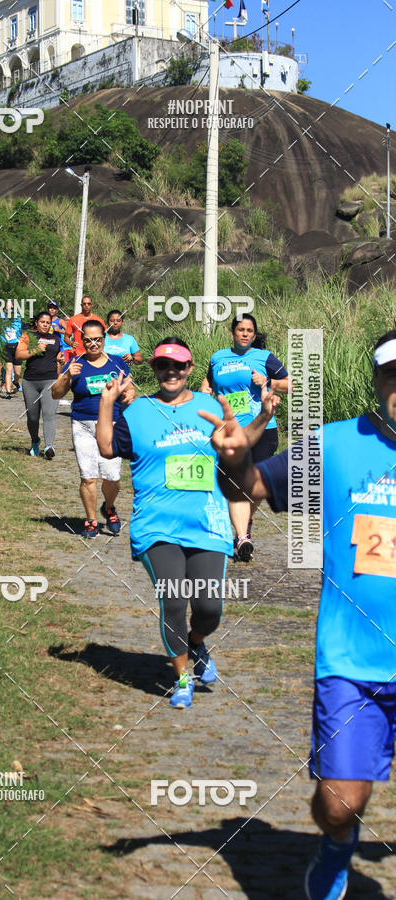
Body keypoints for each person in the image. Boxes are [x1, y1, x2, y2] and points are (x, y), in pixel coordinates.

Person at [200, 330, 396, 900]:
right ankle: (336, 849)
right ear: (379, 381)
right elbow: (253, 486)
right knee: (340, 806)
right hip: (353, 662)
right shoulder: (332, 446)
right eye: (394, 375)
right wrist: (233, 459)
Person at [96, 337, 278, 708]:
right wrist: (107, 402)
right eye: (163, 365)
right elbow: (106, 448)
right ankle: (181, 678)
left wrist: (262, 417)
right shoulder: (137, 413)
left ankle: (196, 643)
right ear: (155, 370)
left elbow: (238, 445)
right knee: (174, 599)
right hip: (156, 525)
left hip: (206, 522)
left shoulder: (208, 406)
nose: (171, 372)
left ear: (190, 370)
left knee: (209, 607)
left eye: (179, 366)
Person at [200, 313, 290, 562]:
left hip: (262, 428)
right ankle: (241, 537)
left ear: (254, 334)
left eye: (250, 330)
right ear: (232, 332)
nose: (245, 334)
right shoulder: (218, 357)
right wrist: (204, 390)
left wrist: (268, 381)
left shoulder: (264, 357)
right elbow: (208, 380)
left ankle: (244, 521)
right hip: (229, 431)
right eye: (241, 330)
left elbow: (289, 383)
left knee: (258, 485)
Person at [52, 319, 132, 537]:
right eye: (88, 340)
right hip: (82, 424)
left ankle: (109, 507)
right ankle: (91, 521)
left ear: (104, 339)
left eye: (97, 339)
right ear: (82, 341)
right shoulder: (75, 363)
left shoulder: (116, 363)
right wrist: (67, 376)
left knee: (112, 476)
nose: (93, 344)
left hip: (113, 425)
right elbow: (56, 394)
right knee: (88, 476)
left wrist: (129, 395)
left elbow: (129, 389)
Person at [15, 311, 63, 458]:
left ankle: (49, 446)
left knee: (49, 414)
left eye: (48, 323)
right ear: (36, 322)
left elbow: (58, 358)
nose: (45, 325)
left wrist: (60, 365)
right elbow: (18, 355)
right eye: (42, 322)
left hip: (50, 380)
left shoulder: (56, 338)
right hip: (30, 381)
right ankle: (35, 440)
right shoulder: (28, 336)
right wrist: (35, 350)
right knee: (33, 417)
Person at [63, 296, 106, 362]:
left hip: (94, 355)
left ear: (92, 305)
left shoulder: (99, 320)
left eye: (89, 304)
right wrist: (71, 343)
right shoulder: (73, 319)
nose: (86, 306)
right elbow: (66, 337)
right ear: (81, 305)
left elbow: (105, 337)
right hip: (78, 355)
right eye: (84, 304)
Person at [0, 302, 23, 399]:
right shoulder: (1, 317)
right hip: (6, 346)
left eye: (11, 306)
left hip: (17, 347)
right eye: (7, 306)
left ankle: (16, 382)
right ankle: (8, 392)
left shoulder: (18, 317)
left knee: (17, 373)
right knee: (8, 370)